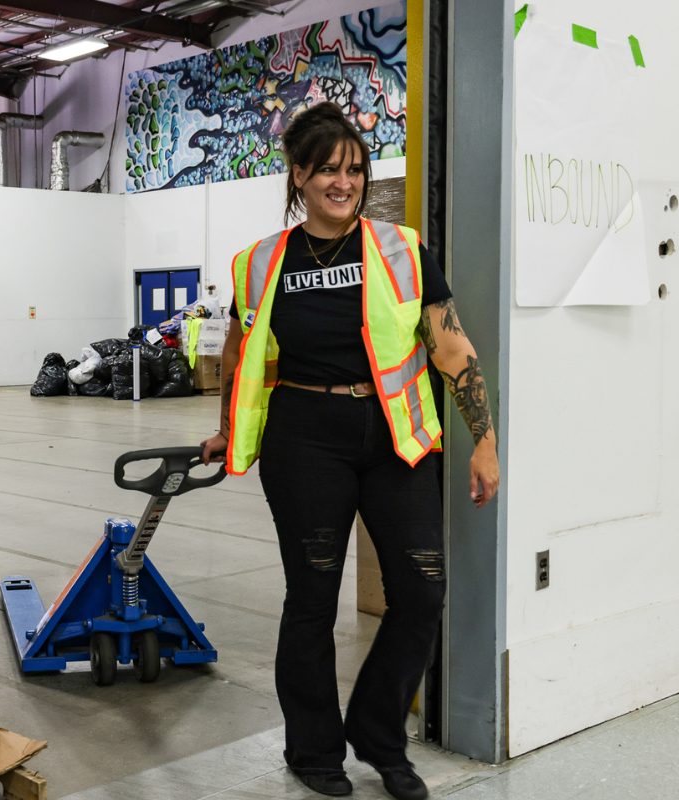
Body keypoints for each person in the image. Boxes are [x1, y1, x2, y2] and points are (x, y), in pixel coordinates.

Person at [201, 102, 499, 800]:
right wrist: (226, 427)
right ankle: (313, 750)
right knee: (312, 597)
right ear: (298, 175)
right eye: (329, 170)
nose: (345, 183)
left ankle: (377, 732)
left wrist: (483, 440)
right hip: (304, 437)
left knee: (421, 593)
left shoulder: (402, 249)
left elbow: (450, 346)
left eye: (356, 169)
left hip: (396, 436)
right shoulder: (259, 262)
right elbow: (242, 353)